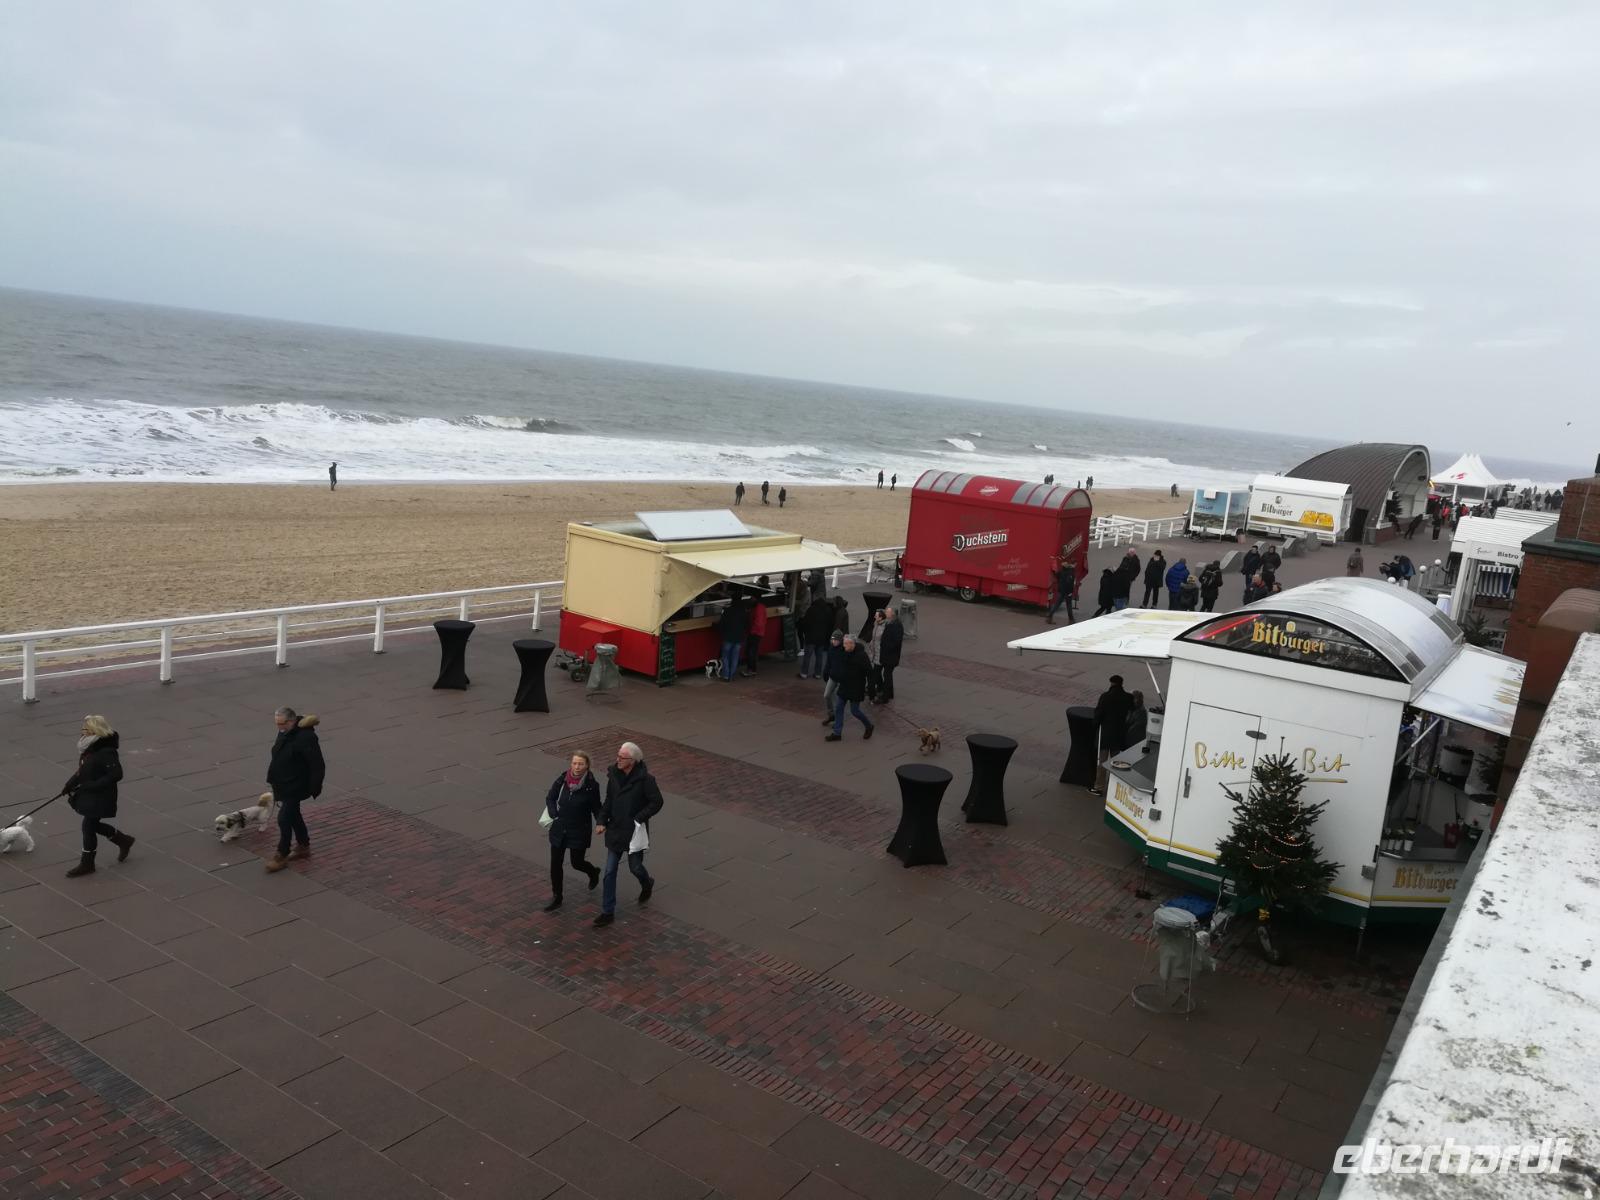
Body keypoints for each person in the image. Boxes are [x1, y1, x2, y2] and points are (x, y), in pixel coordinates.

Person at [593, 741, 662, 926]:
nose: (618, 760)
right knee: (609, 872)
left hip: (634, 833)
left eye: (622, 758)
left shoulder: (646, 780)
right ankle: (608, 911)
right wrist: (601, 820)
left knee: (635, 867)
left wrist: (639, 817)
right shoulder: (614, 775)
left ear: (632, 761)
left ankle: (647, 883)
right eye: (618, 756)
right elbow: (609, 800)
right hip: (615, 830)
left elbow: (657, 802)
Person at [62, 714, 132, 878]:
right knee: (90, 826)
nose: (82, 731)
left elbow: (116, 774)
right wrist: (69, 784)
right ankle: (123, 840)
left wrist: (92, 785)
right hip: (90, 793)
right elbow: (83, 770)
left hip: (101, 795)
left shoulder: (106, 751)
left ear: (94, 731)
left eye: (85, 729)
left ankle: (87, 863)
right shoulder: (89, 747)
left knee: (88, 826)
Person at [265, 707, 324, 873]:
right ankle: (303, 845)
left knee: (284, 818)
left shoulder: (306, 737)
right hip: (282, 783)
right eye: (277, 724)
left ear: (291, 721)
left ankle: (282, 854)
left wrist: (314, 787)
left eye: (281, 723)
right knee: (293, 814)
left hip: (296, 785)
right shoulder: (285, 731)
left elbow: (317, 765)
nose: (279, 727)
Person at [543, 752, 602, 911]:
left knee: (577, 862)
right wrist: (554, 813)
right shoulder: (562, 779)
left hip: (579, 829)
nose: (576, 767)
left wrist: (600, 822)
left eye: (580, 764)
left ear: (587, 766)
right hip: (559, 827)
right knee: (556, 863)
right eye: (574, 763)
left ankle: (593, 872)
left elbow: (597, 807)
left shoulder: (591, 786)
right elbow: (550, 797)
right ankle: (557, 896)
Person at [825, 634, 874, 741]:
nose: (844, 646)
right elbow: (841, 667)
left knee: (855, 711)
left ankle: (869, 726)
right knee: (839, 708)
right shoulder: (845, 652)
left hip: (856, 688)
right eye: (844, 643)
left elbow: (870, 672)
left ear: (852, 644)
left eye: (846, 644)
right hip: (844, 686)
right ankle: (837, 733)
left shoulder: (862, 656)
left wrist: (870, 689)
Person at [1090, 675, 1133, 795]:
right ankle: (1114, 789)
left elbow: (1098, 714)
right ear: (1121, 683)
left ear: (1111, 683)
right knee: (1117, 763)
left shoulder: (1105, 696)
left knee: (1102, 761)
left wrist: (1094, 726)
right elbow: (1133, 710)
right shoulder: (1128, 697)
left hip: (1105, 733)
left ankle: (1098, 787)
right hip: (1119, 735)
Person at [800, 591, 833, 679]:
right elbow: (830, 625)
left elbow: (805, 623)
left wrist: (805, 633)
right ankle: (817, 674)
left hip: (811, 637)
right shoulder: (828, 610)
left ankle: (804, 673)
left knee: (807, 656)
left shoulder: (811, 609)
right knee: (819, 656)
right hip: (821, 638)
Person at [717, 594, 748, 681]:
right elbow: (746, 625)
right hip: (739, 638)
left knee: (725, 656)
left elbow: (722, 623)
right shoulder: (744, 611)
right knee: (735, 656)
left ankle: (726, 675)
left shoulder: (728, 611)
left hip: (728, 637)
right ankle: (731, 675)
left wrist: (721, 631)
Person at [875, 606, 903, 702]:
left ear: (892, 614)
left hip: (890, 656)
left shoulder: (896, 625)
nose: (885, 613)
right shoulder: (891, 623)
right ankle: (889, 693)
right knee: (888, 674)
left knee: (887, 675)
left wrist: (885, 647)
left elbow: (896, 642)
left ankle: (885, 696)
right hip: (888, 655)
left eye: (887, 612)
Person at [820, 629, 845, 723]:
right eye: (832, 640)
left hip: (841, 679)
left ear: (840, 640)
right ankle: (831, 715)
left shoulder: (844, 650)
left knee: (839, 702)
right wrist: (825, 672)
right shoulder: (831, 648)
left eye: (835, 640)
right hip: (833, 676)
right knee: (826, 695)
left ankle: (838, 721)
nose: (833, 641)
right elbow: (828, 662)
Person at [741, 593, 768, 677]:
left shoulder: (758, 608)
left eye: (752, 598)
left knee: (751, 651)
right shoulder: (760, 607)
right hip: (758, 632)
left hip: (755, 633)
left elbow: (758, 623)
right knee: (752, 651)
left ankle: (751, 670)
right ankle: (752, 669)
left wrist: (751, 631)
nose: (750, 599)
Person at [1046, 558, 1076, 625]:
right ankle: (1071, 620)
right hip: (1067, 592)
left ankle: (1049, 616)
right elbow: (1070, 584)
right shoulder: (1070, 573)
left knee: (1056, 605)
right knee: (1069, 605)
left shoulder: (1061, 572)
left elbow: (1057, 577)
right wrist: (1070, 592)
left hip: (1061, 591)